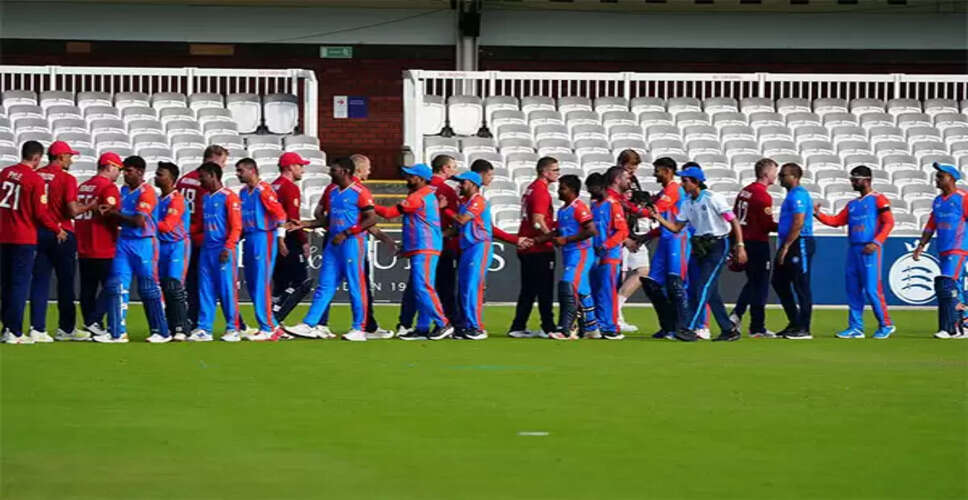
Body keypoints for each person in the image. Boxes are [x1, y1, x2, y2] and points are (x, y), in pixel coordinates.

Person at [650, 165, 747, 342]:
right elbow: (676, 227)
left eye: (685, 180)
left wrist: (739, 245)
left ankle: (689, 327)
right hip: (700, 246)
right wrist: (659, 218)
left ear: (696, 182)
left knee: (702, 286)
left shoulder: (712, 198)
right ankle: (728, 329)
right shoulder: (688, 202)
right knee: (708, 290)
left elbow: (733, 222)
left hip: (717, 244)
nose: (682, 183)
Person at [286, 158, 378, 341]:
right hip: (334, 244)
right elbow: (327, 220)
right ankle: (310, 323)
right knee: (325, 285)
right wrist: (305, 224)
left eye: (333, 170)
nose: (330, 173)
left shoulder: (360, 192)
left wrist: (346, 233)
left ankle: (358, 328)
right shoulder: (334, 192)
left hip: (352, 243)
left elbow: (371, 219)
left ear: (344, 170)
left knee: (355, 285)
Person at [313, 154, 396, 340]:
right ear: (356, 170)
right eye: (368, 168)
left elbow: (320, 212)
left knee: (329, 283)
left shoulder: (333, 189)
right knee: (357, 283)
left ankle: (321, 323)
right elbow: (370, 218)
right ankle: (363, 326)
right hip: (348, 240)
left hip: (336, 237)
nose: (370, 171)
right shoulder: (356, 190)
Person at [373, 163, 454, 340]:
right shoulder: (423, 195)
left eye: (411, 176)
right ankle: (423, 327)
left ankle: (443, 323)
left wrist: (367, 204)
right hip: (423, 246)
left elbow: (388, 213)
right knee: (423, 287)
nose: (407, 178)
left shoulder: (418, 196)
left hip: (425, 247)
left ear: (421, 179)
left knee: (423, 287)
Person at [815, 165, 895, 339]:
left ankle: (886, 324)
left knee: (872, 289)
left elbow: (889, 222)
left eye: (855, 179)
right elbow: (836, 221)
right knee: (853, 289)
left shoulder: (879, 199)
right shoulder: (852, 204)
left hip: (870, 249)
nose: (852, 182)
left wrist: (876, 242)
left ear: (866, 180)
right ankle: (856, 327)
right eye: (852, 179)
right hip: (853, 249)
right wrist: (818, 215)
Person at [95, 155, 168, 343]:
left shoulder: (147, 192)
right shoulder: (124, 190)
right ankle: (117, 332)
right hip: (124, 242)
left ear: (140, 172)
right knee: (116, 286)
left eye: (128, 171)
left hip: (145, 243)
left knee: (148, 288)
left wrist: (113, 213)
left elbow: (139, 221)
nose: (124, 174)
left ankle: (160, 331)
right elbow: (119, 216)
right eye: (124, 170)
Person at [0, 141, 63, 344]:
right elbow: (41, 214)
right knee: (20, 284)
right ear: (37, 158)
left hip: (3, 236)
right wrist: (57, 229)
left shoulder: (5, 173)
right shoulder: (34, 180)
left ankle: (7, 328)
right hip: (23, 238)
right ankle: (16, 333)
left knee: (6, 284)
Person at [30, 141, 91, 341]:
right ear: (60, 157)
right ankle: (66, 329)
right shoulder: (67, 179)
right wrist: (89, 206)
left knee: (40, 281)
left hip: (38, 232)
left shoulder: (36, 175)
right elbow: (72, 210)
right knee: (65, 283)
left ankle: (37, 328)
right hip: (62, 232)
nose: (71, 160)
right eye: (69, 156)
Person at [534, 174, 598, 340]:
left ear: (572, 190)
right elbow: (560, 231)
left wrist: (566, 240)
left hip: (581, 253)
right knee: (583, 291)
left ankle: (566, 329)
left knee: (567, 285)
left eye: (562, 188)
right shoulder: (563, 210)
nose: (558, 191)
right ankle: (592, 329)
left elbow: (591, 230)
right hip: (570, 254)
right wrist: (540, 239)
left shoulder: (579, 207)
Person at [636, 157, 691, 340]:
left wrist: (631, 208)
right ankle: (667, 326)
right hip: (666, 239)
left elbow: (655, 211)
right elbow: (662, 219)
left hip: (678, 239)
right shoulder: (664, 191)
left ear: (668, 171)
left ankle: (682, 327)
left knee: (676, 285)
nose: (655, 174)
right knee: (652, 283)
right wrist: (646, 236)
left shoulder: (674, 190)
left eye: (657, 170)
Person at [912, 162, 968, 339]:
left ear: (951, 179)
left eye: (940, 176)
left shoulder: (963, 198)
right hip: (943, 249)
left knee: (948, 285)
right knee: (951, 287)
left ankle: (957, 327)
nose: (936, 180)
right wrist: (921, 246)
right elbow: (931, 226)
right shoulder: (937, 201)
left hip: (958, 248)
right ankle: (954, 326)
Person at [188, 162, 242, 342]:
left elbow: (236, 226)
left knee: (227, 289)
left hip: (223, 249)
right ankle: (205, 328)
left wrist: (229, 246)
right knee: (205, 289)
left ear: (212, 175)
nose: (200, 180)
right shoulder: (205, 198)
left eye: (202, 176)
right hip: (207, 249)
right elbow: (202, 225)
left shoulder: (229, 197)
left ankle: (233, 328)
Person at [237, 157, 288, 341]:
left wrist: (281, 239)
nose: (238, 174)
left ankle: (267, 327)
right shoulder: (243, 192)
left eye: (241, 170)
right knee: (252, 284)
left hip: (263, 237)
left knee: (260, 282)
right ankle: (273, 326)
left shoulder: (264, 190)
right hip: (249, 237)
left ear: (252, 170)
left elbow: (281, 214)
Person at [508, 157, 560, 338]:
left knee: (528, 290)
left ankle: (518, 325)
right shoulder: (540, 191)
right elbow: (538, 220)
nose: (557, 173)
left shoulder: (531, 188)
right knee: (544, 289)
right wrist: (550, 237)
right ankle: (548, 327)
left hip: (527, 246)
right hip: (538, 247)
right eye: (555, 170)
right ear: (545, 172)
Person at [729, 158, 779, 338]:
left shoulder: (745, 191)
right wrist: (788, 225)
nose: (776, 175)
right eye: (774, 171)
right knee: (761, 285)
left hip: (744, 241)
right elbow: (767, 225)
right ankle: (757, 326)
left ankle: (736, 315)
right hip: (758, 243)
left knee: (753, 282)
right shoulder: (762, 195)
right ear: (766, 173)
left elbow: (735, 217)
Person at [75, 152, 122, 339]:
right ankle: (100, 322)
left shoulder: (83, 186)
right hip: (102, 244)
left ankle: (89, 324)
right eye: (118, 169)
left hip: (84, 243)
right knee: (110, 286)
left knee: (87, 288)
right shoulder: (108, 188)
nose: (119, 173)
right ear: (109, 166)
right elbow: (112, 215)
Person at [771, 162, 815, 340]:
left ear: (795, 177)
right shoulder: (791, 195)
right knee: (779, 282)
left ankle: (804, 327)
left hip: (799, 243)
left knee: (801, 285)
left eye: (784, 175)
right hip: (789, 242)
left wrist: (787, 246)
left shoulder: (799, 195)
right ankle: (795, 321)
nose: (780, 178)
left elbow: (798, 222)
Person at [446, 171, 492, 340]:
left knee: (473, 287)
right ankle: (467, 325)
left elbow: (461, 220)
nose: (460, 185)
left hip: (479, 246)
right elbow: (456, 227)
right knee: (465, 288)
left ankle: (476, 327)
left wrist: (445, 209)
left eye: (463, 182)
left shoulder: (478, 201)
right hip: (467, 248)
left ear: (473, 184)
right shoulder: (465, 202)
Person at [270, 152, 314, 326]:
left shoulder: (273, 186)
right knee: (301, 280)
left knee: (280, 282)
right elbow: (294, 220)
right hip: (289, 239)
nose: (302, 170)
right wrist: (303, 241)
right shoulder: (290, 188)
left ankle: (272, 320)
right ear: (290, 167)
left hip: (274, 237)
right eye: (300, 166)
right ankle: (276, 316)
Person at [589, 169, 629, 340]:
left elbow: (622, 231)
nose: (591, 192)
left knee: (607, 290)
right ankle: (598, 324)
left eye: (594, 188)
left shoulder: (613, 205)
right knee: (595, 289)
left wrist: (606, 245)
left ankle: (611, 327)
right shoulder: (594, 206)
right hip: (595, 255)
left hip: (610, 255)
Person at [154, 161, 192, 341]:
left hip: (177, 246)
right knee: (164, 287)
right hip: (161, 247)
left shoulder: (177, 200)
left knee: (174, 286)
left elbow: (168, 225)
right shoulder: (159, 200)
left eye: (160, 174)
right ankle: (168, 327)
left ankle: (181, 328)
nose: (156, 176)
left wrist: (144, 223)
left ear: (171, 179)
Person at [614, 149, 651, 333]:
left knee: (643, 271)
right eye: (629, 168)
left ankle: (617, 308)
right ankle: (614, 316)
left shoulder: (633, 181)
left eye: (635, 168)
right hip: (620, 234)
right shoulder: (614, 179)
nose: (632, 172)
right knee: (617, 276)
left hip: (633, 231)